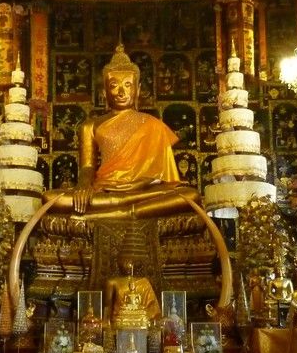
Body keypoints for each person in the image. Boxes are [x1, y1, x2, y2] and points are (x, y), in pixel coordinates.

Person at [41, 42, 199, 220]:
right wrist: (83, 185)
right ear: (104, 91)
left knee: (189, 195)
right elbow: (87, 166)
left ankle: (120, 213)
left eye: (128, 85)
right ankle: (127, 211)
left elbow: (163, 178)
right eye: (114, 85)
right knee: (51, 199)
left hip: (143, 191)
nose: (121, 92)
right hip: (105, 190)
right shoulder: (90, 126)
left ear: (138, 90)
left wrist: (141, 185)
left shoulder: (153, 124)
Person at [105, 256, 160, 330]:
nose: (127, 265)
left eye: (130, 262)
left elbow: (139, 301)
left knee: (143, 312)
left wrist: (138, 309)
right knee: (121, 314)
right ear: (118, 264)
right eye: (125, 262)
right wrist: (107, 320)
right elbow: (108, 304)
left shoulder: (144, 282)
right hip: (123, 313)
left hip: (137, 312)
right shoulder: (113, 282)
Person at [264, 253, 294, 327]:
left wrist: (286, 298)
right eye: (278, 269)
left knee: (293, 302)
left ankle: (288, 321)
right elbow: (269, 293)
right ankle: (274, 321)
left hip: (286, 299)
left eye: (282, 270)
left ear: (284, 271)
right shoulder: (272, 281)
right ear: (275, 271)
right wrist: (276, 298)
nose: (280, 271)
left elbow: (291, 293)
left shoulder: (288, 281)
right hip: (276, 299)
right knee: (267, 302)